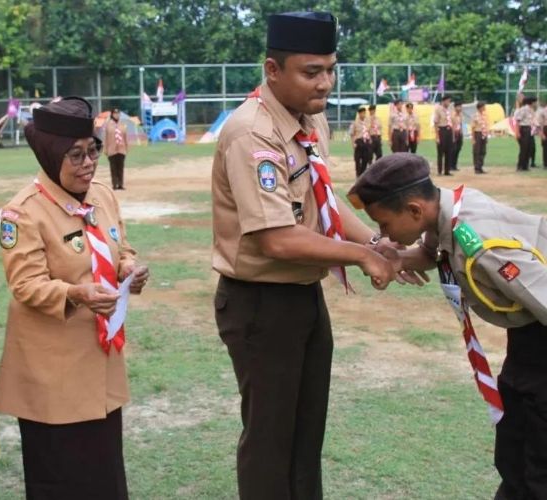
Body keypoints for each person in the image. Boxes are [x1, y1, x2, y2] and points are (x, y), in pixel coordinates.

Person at [211, 12, 398, 500]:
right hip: (259, 304)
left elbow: (325, 202)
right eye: (311, 71)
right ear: (273, 71)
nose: (326, 83)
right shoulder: (253, 132)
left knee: (305, 434)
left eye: (331, 69)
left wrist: (375, 243)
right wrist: (361, 256)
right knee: (271, 441)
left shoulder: (308, 118)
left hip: (302, 296)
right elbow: (277, 239)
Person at [348, 152, 547, 500]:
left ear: (413, 210)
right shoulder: (446, 209)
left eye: (384, 225)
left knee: (537, 468)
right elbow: (434, 251)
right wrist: (393, 259)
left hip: (541, 343)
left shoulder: (481, 245)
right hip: (526, 344)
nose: (383, 234)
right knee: (514, 452)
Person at [0, 97, 149, 500]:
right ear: (49, 154)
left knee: (104, 472)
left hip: (100, 362)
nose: (88, 163)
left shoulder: (102, 196)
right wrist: (77, 293)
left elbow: (120, 247)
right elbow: (25, 285)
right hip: (52, 371)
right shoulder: (24, 212)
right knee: (60, 476)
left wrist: (128, 266)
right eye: (75, 155)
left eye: (92, 151)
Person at [104, 107, 129, 190]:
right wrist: (105, 149)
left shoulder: (122, 125)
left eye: (118, 114)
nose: (117, 115)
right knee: (113, 168)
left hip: (121, 149)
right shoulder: (108, 125)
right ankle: (114, 184)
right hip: (112, 150)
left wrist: (126, 148)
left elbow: (125, 137)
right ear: (112, 114)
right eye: (115, 114)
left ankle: (120, 184)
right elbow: (106, 138)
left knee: (120, 168)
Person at [514, 96, 537, 172]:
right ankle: (520, 166)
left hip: (530, 130)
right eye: (535, 102)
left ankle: (525, 166)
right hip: (524, 129)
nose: (536, 103)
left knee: (529, 148)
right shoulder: (524, 109)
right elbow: (518, 121)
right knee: (524, 148)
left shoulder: (531, 110)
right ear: (532, 102)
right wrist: (517, 132)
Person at [434, 95, 454, 176]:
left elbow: (452, 121)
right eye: (448, 101)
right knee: (440, 151)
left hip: (449, 130)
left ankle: (447, 170)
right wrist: (437, 136)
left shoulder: (449, 109)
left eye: (449, 101)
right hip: (442, 130)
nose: (449, 103)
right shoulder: (438, 109)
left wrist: (452, 135)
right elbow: (435, 123)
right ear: (444, 101)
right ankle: (439, 170)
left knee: (449, 151)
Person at [349, 107, 371, 177]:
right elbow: (352, 134)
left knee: (366, 158)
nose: (363, 115)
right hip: (359, 141)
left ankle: (362, 173)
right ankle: (358, 174)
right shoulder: (355, 123)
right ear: (359, 114)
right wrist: (353, 143)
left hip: (366, 141)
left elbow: (369, 131)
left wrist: (370, 139)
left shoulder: (367, 122)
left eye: (364, 113)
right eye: (362, 113)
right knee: (357, 159)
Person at [471, 101, 489, 174]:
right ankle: (477, 167)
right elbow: (472, 127)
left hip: (483, 134)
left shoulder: (485, 115)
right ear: (480, 107)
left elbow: (485, 126)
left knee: (483, 151)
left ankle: (480, 166)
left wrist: (486, 136)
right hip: (477, 133)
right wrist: (473, 138)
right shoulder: (475, 115)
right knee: (477, 151)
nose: (484, 108)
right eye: (483, 106)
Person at [450, 101, 463, 171]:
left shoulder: (460, 115)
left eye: (461, 107)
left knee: (458, 149)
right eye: (459, 107)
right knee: (453, 150)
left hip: (459, 133)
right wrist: (452, 136)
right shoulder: (452, 115)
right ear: (455, 107)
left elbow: (460, 124)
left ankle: (454, 165)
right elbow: (451, 126)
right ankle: (450, 165)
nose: (460, 108)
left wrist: (461, 133)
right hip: (454, 133)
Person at [538, 100, 547, 169]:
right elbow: (541, 123)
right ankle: (545, 164)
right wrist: (541, 133)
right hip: (545, 128)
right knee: (545, 147)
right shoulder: (543, 111)